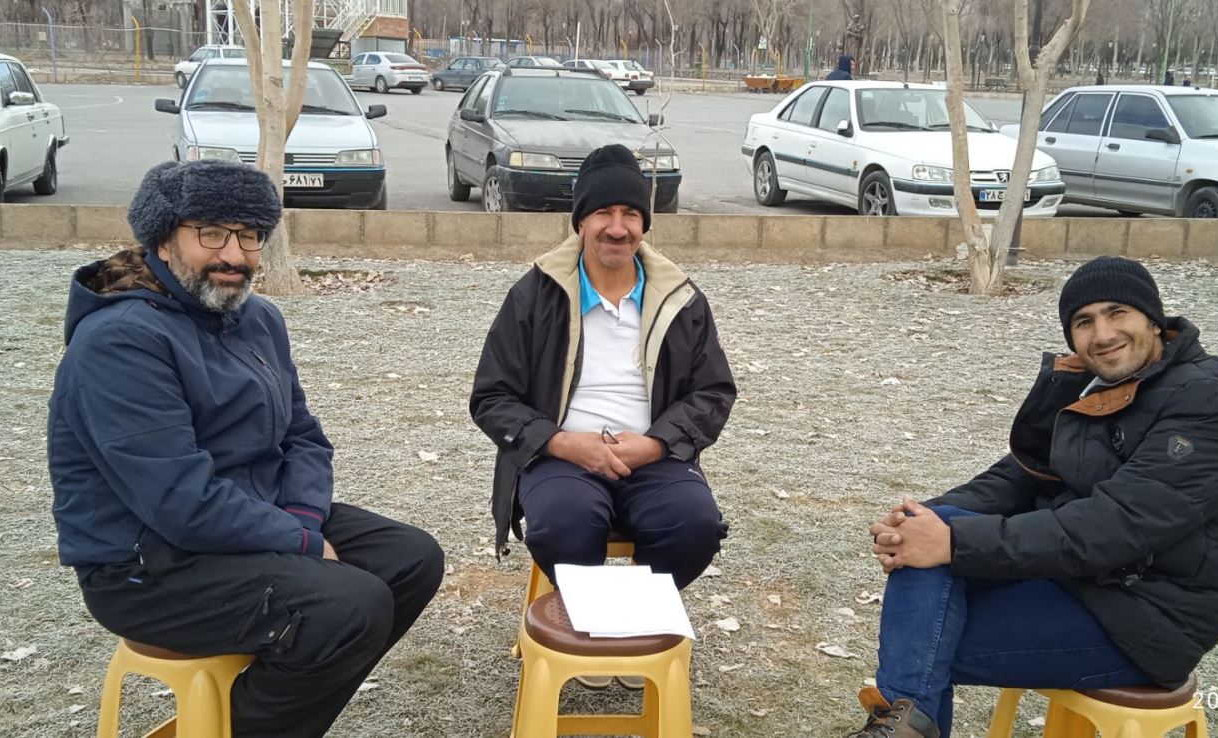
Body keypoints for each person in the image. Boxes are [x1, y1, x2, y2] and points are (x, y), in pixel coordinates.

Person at [48, 160, 444, 738]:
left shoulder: (256, 318)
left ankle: (246, 721)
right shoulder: (120, 339)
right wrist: (303, 543)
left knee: (410, 558)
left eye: (250, 235)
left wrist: (302, 520)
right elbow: (180, 501)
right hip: (147, 565)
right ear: (164, 239)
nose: (234, 255)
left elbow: (303, 436)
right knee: (348, 607)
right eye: (211, 233)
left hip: (252, 519)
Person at [847, 257, 1218, 738]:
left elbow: (1115, 525)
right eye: (1084, 322)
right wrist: (918, 522)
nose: (1102, 334)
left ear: (1153, 320)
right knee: (932, 555)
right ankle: (906, 724)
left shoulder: (1206, 404)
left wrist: (954, 542)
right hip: (1079, 580)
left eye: (1117, 312)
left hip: (1148, 619)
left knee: (925, 640)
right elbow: (1018, 478)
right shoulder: (1097, 385)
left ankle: (903, 720)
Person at [470, 144, 736, 669]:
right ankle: (591, 630)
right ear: (580, 222)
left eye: (630, 214)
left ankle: (631, 625)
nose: (617, 228)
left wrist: (656, 444)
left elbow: (713, 392)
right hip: (561, 456)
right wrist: (561, 442)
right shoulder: (535, 295)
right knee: (564, 524)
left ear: (644, 225)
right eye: (603, 213)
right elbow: (491, 396)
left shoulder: (680, 299)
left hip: (654, 455)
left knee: (694, 526)